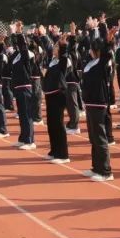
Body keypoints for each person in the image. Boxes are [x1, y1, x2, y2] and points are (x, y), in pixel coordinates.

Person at [81, 17, 115, 181]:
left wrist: (107, 40)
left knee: (100, 137)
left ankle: (106, 171)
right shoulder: (90, 63)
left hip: (99, 103)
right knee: (93, 137)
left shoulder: (101, 63)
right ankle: (96, 167)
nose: (89, 50)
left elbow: (107, 53)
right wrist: (93, 29)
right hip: (90, 104)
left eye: (92, 49)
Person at [43, 35, 72, 164]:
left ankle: (63, 154)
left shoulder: (62, 61)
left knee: (58, 124)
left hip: (58, 94)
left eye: (56, 47)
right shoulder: (52, 61)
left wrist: (64, 45)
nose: (53, 48)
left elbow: (65, 58)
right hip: (49, 94)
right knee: (51, 124)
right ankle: (54, 150)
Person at [8, 22, 37, 150]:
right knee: (21, 114)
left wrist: (19, 32)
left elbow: (22, 46)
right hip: (18, 88)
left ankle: (30, 140)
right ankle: (23, 138)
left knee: (26, 114)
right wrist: (12, 32)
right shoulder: (17, 55)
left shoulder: (27, 54)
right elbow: (15, 45)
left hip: (25, 87)